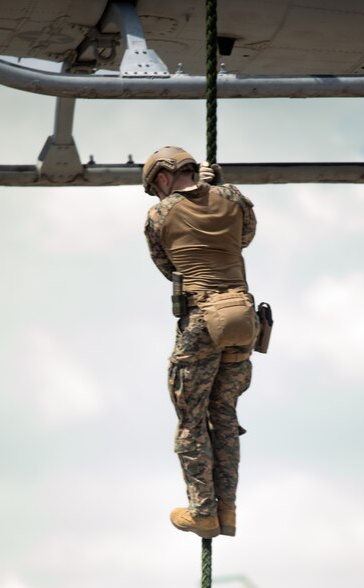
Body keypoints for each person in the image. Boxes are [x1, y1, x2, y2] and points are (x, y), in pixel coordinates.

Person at [143, 146, 258, 539]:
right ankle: (227, 510)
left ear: (161, 178)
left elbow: (167, 265)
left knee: (192, 421)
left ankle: (203, 512)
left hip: (202, 321)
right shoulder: (233, 198)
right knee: (223, 414)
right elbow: (245, 237)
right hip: (244, 317)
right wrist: (216, 192)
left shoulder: (160, 213)